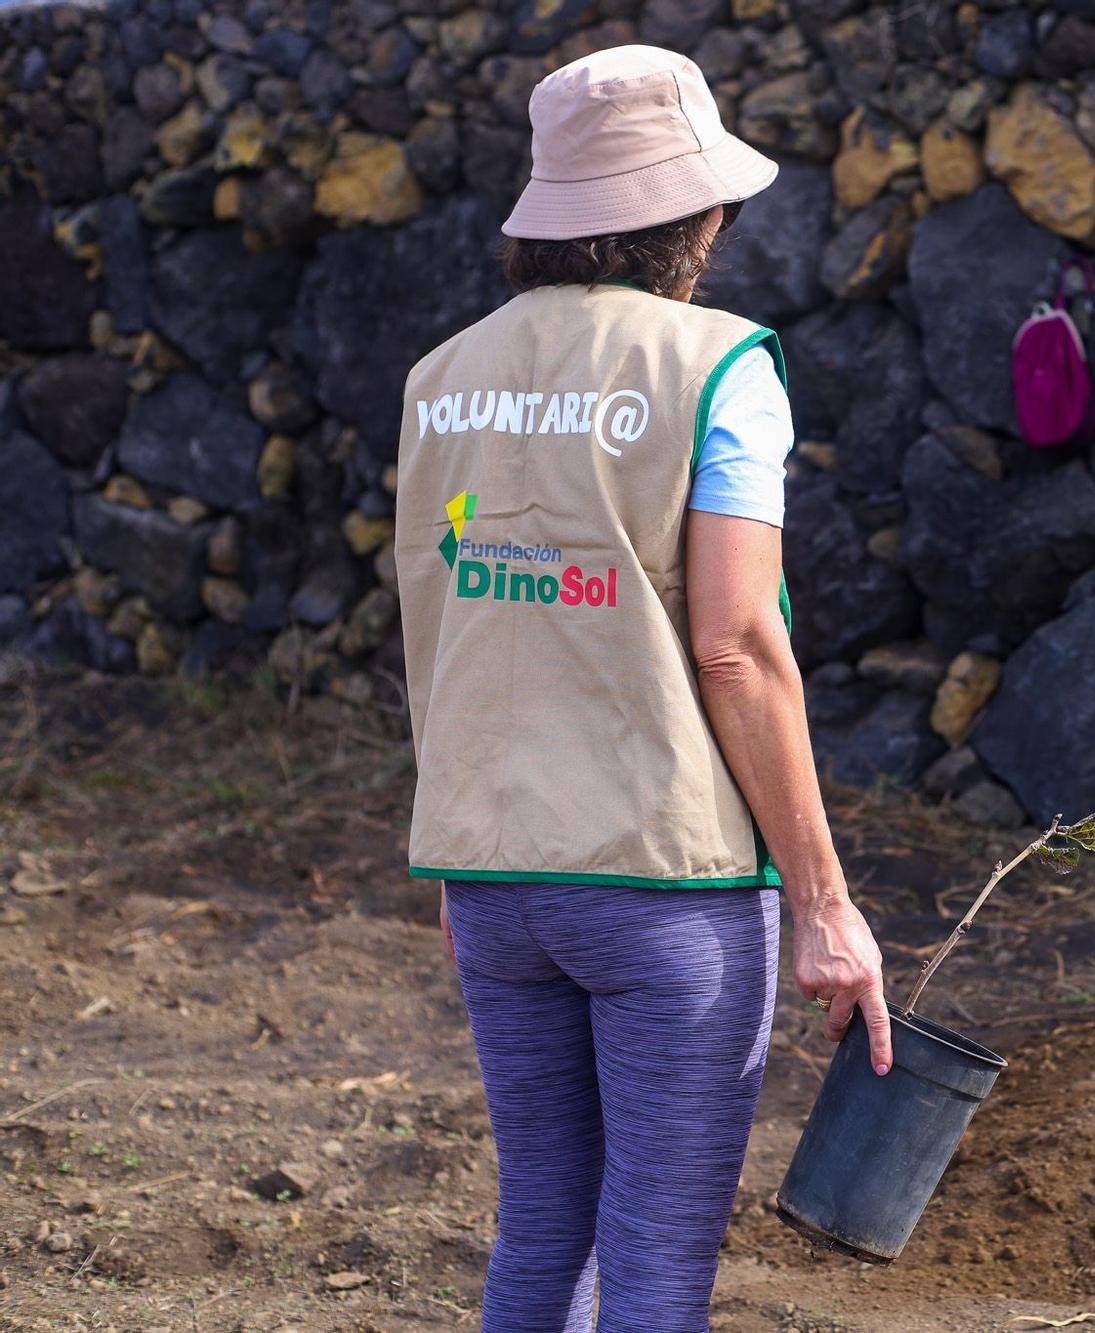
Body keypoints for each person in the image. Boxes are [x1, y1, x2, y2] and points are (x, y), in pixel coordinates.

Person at [393, 46, 893, 1333]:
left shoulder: (441, 378)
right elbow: (735, 645)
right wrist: (825, 903)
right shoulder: (720, 368)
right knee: (656, 1262)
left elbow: (443, 615)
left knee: (541, 1233)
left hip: (495, 883)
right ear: (696, 217)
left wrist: (460, 855)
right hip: (666, 886)